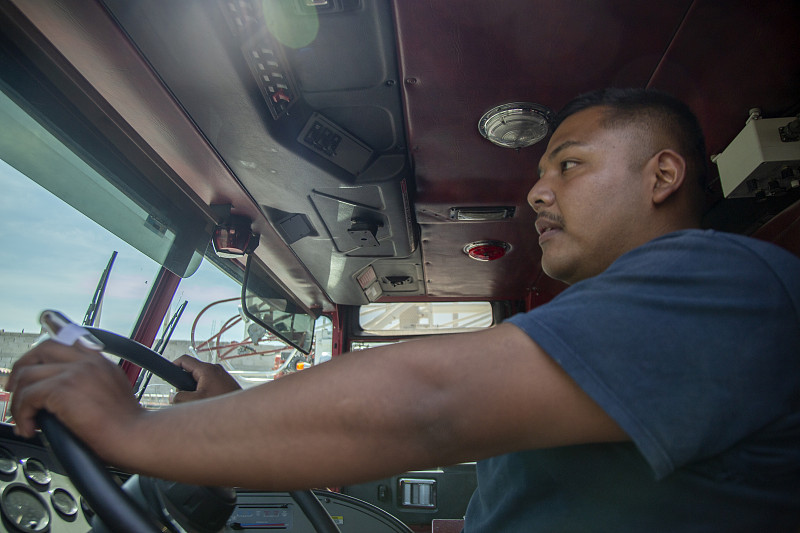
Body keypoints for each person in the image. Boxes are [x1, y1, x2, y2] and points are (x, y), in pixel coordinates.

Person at [7, 88, 800, 531]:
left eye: (569, 163)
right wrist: (237, 413)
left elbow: (430, 404)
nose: (536, 189)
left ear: (662, 175)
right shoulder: (646, 312)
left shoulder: (720, 281)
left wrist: (138, 432)